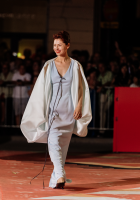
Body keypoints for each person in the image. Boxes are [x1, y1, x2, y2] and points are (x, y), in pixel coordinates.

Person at [20, 30, 92, 189]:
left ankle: (56, 179)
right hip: (53, 112)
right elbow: (40, 90)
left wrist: (79, 105)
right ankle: (60, 176)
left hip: (70, 111)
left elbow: (81, 89)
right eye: (54, 45)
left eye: (60, 45)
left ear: (68, 45)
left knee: (63, 147)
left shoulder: (75, 65)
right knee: (53, 143)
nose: (56, 48)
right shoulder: (48, 65)